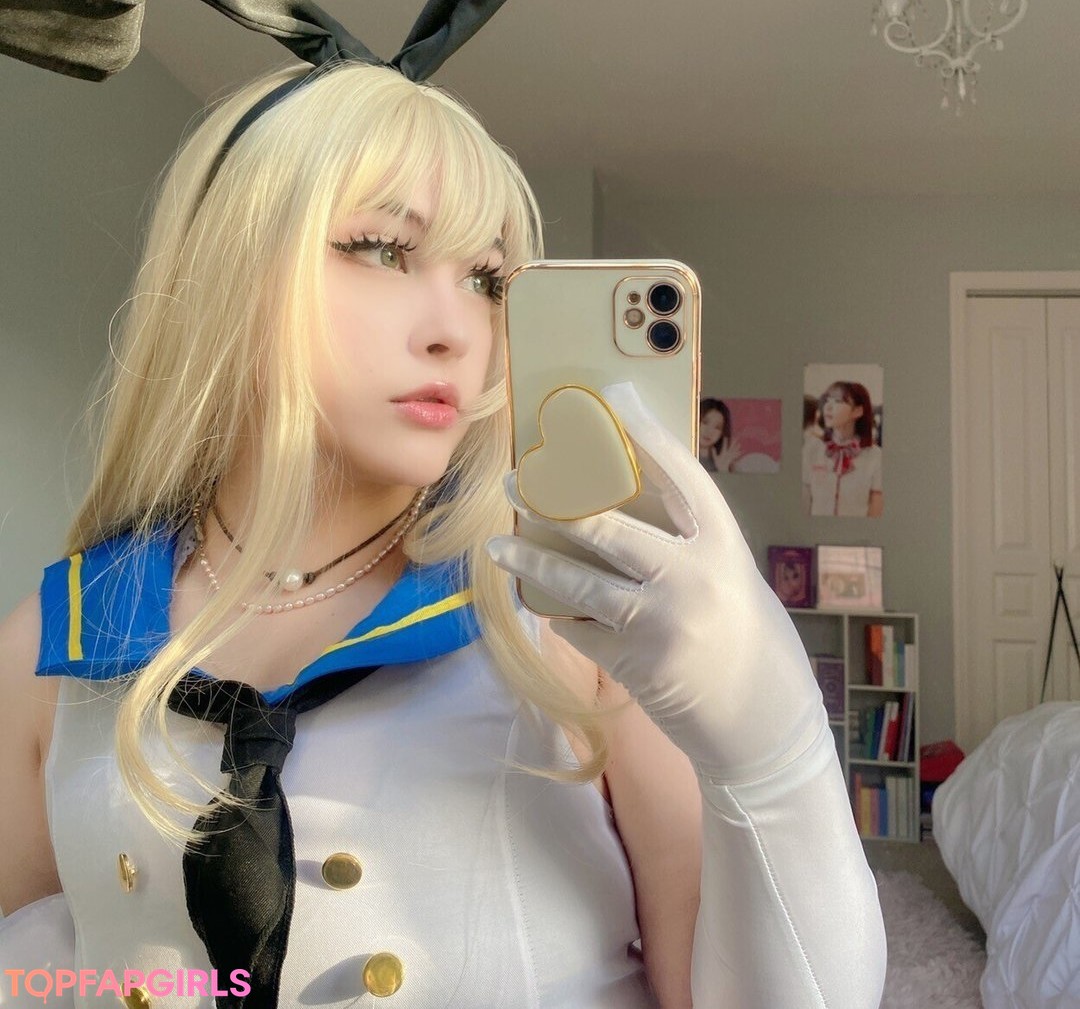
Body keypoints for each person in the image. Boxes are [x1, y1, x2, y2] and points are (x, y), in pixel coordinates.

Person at [0, 4, 886, 1007]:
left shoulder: (576, 623)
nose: (459, 330)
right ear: (231, 267)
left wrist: (772, 750)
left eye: (487, 279)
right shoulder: (52, 643)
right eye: (384, 249)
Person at [802, 380, 884, 518]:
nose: (828, 407)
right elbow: (804, 503)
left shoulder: (875, 456)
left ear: (857, 411)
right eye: (827, 400)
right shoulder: (812, 449)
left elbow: (875, 511)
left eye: (838, 401)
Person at [697, 397, 741, 473]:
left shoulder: (726, 462)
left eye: (717, 427)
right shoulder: (683, 454)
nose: (709, 431)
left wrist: (723, 469)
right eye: (705, 422)